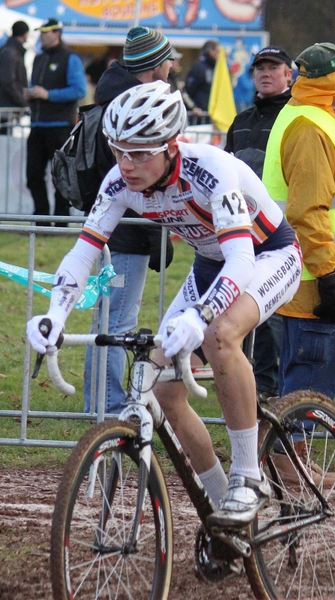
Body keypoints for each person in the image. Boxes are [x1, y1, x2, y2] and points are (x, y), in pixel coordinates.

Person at [27, 82, 302, 528]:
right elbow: (85, 250)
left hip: (267, 254)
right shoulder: (118, 181)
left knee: (221, 335)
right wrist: (55, 314)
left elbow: (241, 258)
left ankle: (248, 477)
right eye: (119, 151)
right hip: (212, 264)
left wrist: (202, 315)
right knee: (163, 388)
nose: (126, 165)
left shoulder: (212, 169)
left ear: (172, 146)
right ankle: (225, 513)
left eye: (139, 153)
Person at [261, 43, 335, 477]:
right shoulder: (312, 127)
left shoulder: (309, 117)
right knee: (310, 379)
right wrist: (329, 276)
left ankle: (291, 457)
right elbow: (308, 212)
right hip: (315, 280)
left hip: (313, 276)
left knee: (306, 375)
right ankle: (291, 460)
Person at [83, 26, 174, 414]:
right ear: (154, 65)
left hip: (116, 232)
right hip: (125, 235)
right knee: (117, 323)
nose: (173, 66)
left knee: (111, 319)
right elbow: (135, 184)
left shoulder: (113, 98)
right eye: (169, 59)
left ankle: (101, 402)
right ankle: (107, 405)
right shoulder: (131, 108)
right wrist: (157, 239)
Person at [225, 45, 293, 402]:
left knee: (280, 313)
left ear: (289, 74)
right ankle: (256, 382)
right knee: (249, 308)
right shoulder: (242, 120)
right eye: (260, 68)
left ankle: (277, 386)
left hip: (285, 232)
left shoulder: (297, 117)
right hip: (243, 231)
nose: (266, 73)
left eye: (273, 67)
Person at [25, 18, 86, 223]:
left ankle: (61, 220)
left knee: (61, 177)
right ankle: (41, 218)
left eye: (45, 32)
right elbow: (37, 87)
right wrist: (31, 94)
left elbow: (79, 90)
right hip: (37, 124)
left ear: (57, 33)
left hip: (60, 126)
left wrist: (48, 95)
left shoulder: (70, 58)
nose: (41, 35)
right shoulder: (38, 58)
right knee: (33, 174)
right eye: (40, 32)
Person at [0, 20, 29, 134]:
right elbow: (8, 81)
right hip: (5, 110)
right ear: (25, 34)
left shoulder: (8, 50)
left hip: (6, 110)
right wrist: (23, 103)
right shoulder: (11, 52)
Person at [185, 39, 220, 124]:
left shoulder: (216, 69)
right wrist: (193, 107)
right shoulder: (199, 68)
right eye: (218, 51)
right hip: (198, 117)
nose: (219, 55)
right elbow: (187, 91)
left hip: (209, 116)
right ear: (211, 52)